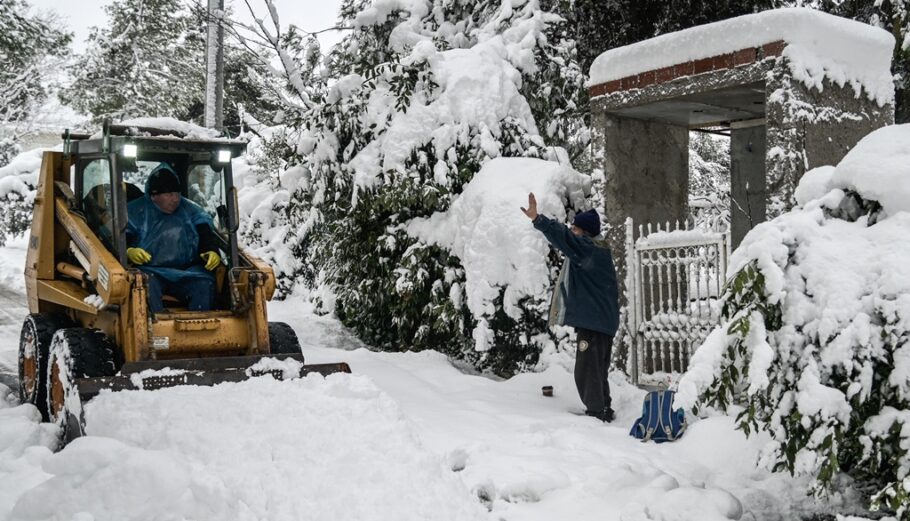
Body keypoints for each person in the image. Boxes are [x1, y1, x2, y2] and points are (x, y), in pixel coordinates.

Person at [522, 193, 619, 422]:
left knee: (587, 370)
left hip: (594, 321)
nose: (572, 231)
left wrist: (538, 219)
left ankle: (596, 413)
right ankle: (603, 408)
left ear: (584, 233)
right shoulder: (597, 249)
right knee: (596, 369)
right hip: (602, 321)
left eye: (575, 229)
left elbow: (563, 237)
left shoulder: (588, 248)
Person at [126, 164, 222, 313]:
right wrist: (128, 251)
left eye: (177, 193)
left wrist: (211, 250)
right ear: (154, 195)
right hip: (150, 271)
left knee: (204, 283)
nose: (175, 198)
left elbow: (205, 233)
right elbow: (120, 237)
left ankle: (201, 326)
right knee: (142, 284)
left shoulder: (190, 210)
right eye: (169, 194)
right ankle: (153, 328)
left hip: (188, 271)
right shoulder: (135, 212)